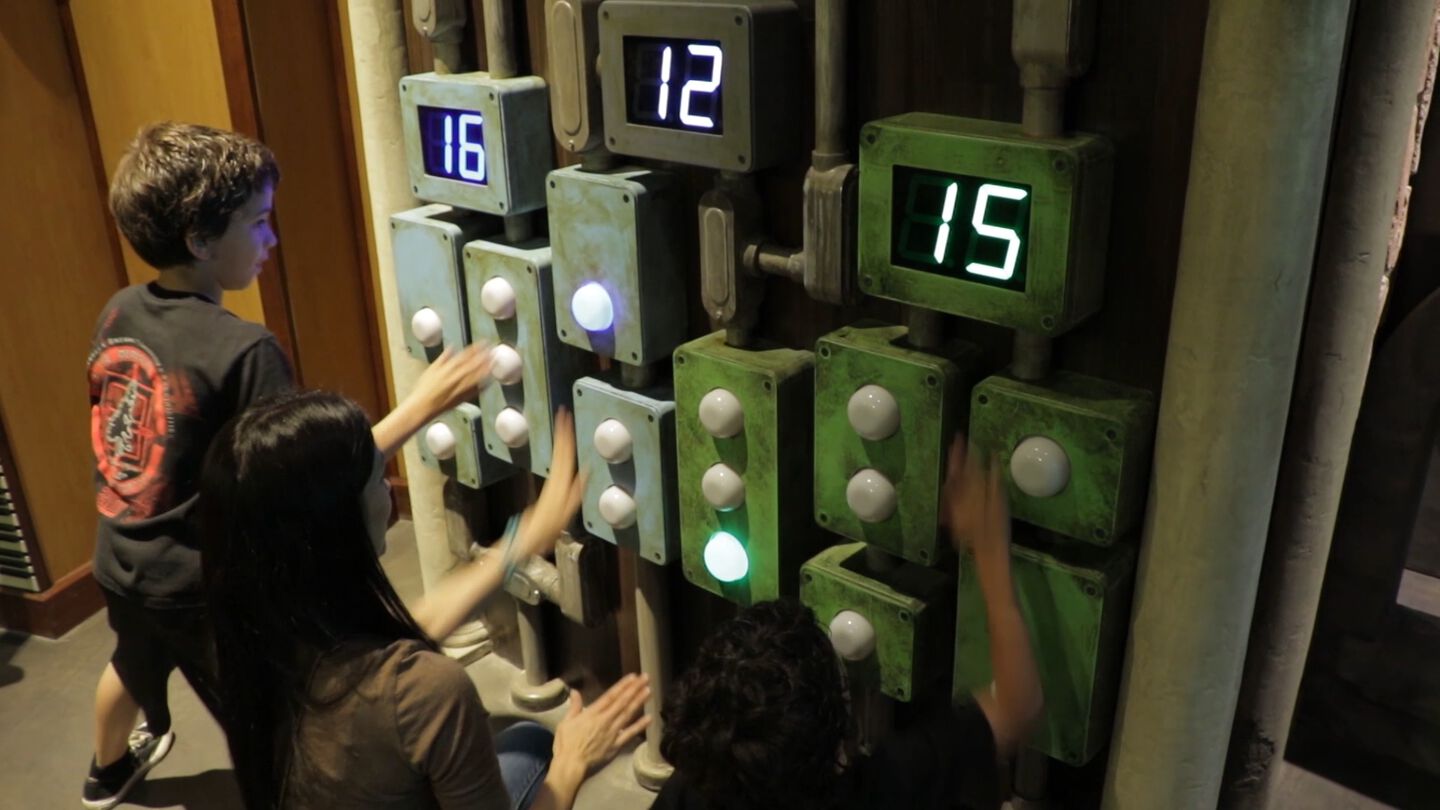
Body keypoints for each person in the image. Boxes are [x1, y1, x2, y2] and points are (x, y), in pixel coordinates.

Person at [82, 120, 493, 809]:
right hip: (195, 580)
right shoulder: (244, 351)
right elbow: (301, 475)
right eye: (258, 222)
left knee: (133, 658)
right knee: (264, 713)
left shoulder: (119, 310)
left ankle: (107, 768)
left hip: (120, 556)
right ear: (200, 241)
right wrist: (425, 404)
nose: (270, 239)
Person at [198, 394, 650, 810]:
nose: (388, 489)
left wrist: (523, 539)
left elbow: (406, 631)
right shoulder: (428, 692)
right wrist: (572, 763)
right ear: (337, 524)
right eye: (377, 476)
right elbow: (405, 681)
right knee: (539, 746)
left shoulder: (252, 638)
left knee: (526, 743)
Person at [652, 438, 1043, 810]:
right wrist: (989, 551)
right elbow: (1018, 707)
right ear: (840, 747)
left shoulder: (694, 790)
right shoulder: (881, 791)